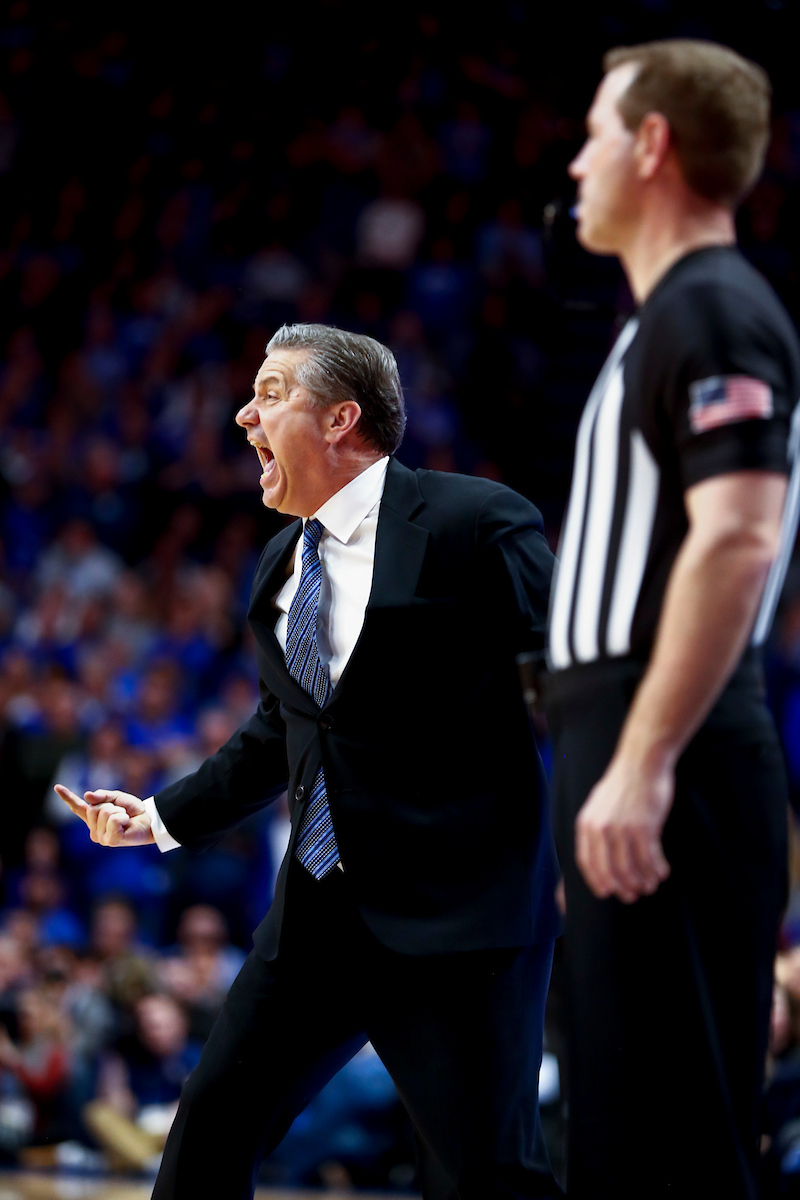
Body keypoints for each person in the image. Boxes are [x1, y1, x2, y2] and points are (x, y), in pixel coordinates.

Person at [56, 322, 561, 1200]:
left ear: (340, 419)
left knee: (490, 1179)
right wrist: (164, 816)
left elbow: (569, 671)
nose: (247, 414)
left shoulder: (473, 521)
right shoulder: (280, 565)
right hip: (318, 917)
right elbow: (281, 732)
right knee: (204, 1145)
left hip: (459, 923)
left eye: (273, 392)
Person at [545, 40, 800, 1200]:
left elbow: (738, 538)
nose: (577, 157)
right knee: (618, 1130)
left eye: (596, 129)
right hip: (632, 746)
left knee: (678, 1142)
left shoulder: (712, 307)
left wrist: (641, 763)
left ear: (651, 146)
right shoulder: (660, 320)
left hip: (678, 752)